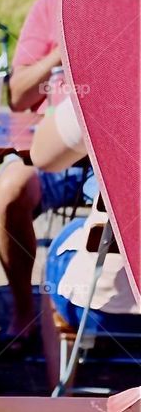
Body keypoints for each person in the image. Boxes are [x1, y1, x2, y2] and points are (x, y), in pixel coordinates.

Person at [0, 0, 95, 346]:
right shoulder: (51, 5)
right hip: (51, 152)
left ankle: (107, 310)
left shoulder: (128, 7)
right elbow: (18, 97)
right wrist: (62, 52)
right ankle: (24, 310)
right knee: (11, 189)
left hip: (110, 157)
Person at [30, 96, 140, 386]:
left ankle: (61, 397)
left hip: (101, 309)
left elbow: (42, 155)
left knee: (63, 245)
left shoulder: (114, 89)